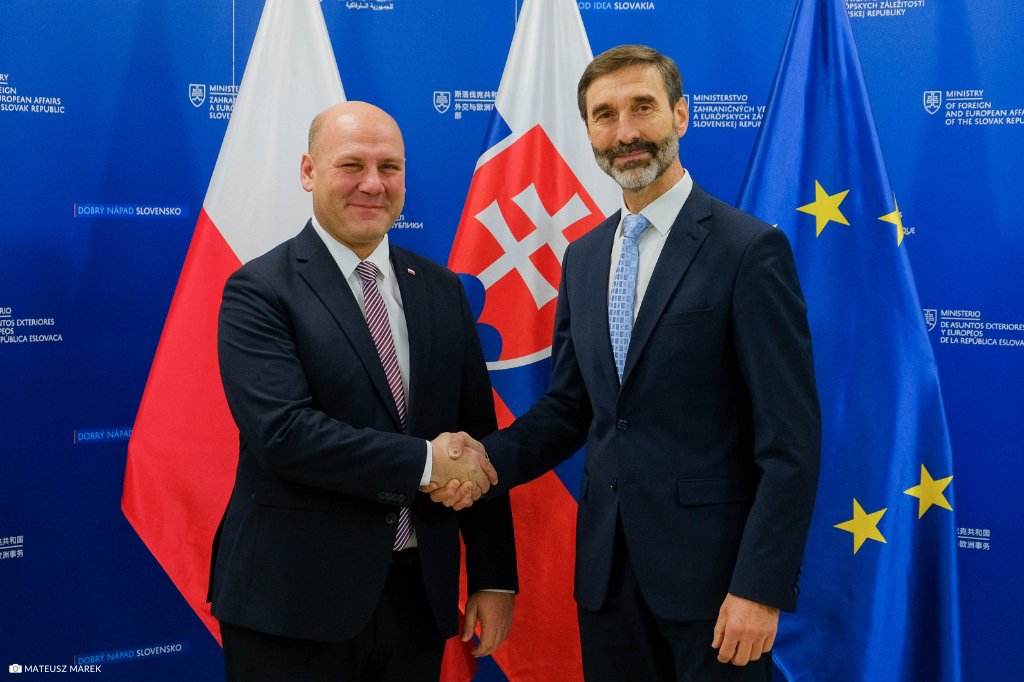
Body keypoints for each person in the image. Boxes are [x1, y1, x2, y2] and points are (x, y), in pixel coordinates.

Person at [435, 45, 820, 681]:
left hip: (717, 590)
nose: (626, 133)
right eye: (605, 115)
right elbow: (569, 409)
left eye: (643, 108)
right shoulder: (584, 258)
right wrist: (482, 464)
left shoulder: (749, 251)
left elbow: (791, 442)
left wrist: (760, 586)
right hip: (607, 581)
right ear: (588, 131)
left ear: (681, 115)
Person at [208, 101, 517, 682]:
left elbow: (477, 436)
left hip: (417, 600)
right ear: (309, 172)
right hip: (292, 603)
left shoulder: (442, 289)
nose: (373, 184)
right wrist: (428, 463)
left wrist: (493, 575)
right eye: (352, 165)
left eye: (389, 167)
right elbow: (285, 434)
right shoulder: (259, 290)